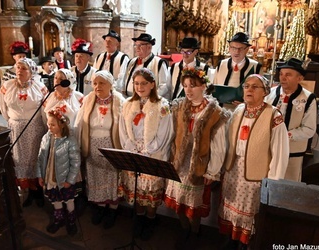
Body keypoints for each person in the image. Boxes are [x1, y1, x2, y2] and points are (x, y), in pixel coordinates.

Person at [218, 74, 289, 249]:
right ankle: (232, 239)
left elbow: (280, 152)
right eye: (246, 86)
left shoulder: (274, 116)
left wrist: (272, 183)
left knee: (249, 212)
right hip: (233, 169)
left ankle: (245, 243)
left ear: (265, 92)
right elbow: (228, 140)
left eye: (254, 87)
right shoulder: (239, 110)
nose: (249, 89)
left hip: (256, 175)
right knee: (231, 207)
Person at [164, 67, 229, 248]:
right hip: (179, 162)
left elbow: (218, 146)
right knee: (179, 200)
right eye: (185, 86)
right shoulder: (178, 106)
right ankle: (184, 229)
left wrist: (212, 171)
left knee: (193, 206)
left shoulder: (214, 112)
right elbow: (171, 134)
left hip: (199, 164)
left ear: (203, 86)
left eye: (193, 85)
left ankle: (194, 231)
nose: (188, 90)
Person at [118, 68, 174, 240]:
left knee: (149, 193)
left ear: (152, 84)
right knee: (136, 191)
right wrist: (130, 146)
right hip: (133, 151)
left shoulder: (162, 105)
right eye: (136, 83)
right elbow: (122, 129)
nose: (139, 87)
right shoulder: (128, 104)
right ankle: (139, 218)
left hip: (152, 153)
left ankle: (151, 219)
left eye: (143, 83)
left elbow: (166, 132)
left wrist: (149, 150)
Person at [73, 70, 125, 229]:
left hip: (111, 145)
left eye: (101, 83)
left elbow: (124, 125)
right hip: (92, 145)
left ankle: (113, 210)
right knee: (95, 177)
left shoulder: (119, 100)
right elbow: (79, 122)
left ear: (111, 84)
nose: (97, 86)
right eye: (95, 83)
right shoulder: (89, 99)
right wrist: (77, 144)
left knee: (112, 178)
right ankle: (101, 207)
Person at [0, 58, 48, 208]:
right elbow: (2, 107)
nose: (19, 71)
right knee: (19, 158)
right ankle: (26, 192)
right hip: (16, 127)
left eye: (24, 68)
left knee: (35, 158)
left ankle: (38, 193)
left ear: (31, 71)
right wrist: (13, 121)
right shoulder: (7, 86)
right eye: (18, 67)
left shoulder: (40, 87)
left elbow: (44, 110)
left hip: (35, 128)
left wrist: (45, 128)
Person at [265, 58, 316, 181]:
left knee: (288, 186)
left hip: (292, 153)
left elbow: (309, 129)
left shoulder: (308, 98)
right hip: (268, 149)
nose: (282, 78)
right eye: (281, 74)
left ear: (299, 78)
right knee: (266, 183)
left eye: (288, 75)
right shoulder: (270, 93)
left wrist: (285, 135)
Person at [36, 107, 81, 236]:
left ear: (61, 125)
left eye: (53, 125)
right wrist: (40, 175)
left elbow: (75, 163)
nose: (49, 127)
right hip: (50, 177)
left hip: (63, 179)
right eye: (48, 124)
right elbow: (40, 158)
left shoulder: (70, 141)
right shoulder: (46, 138)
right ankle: (58, 219)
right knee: (56, 200)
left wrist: (70, 180)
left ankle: (71, 222)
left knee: (69, 201)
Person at [213, 32, 263, 109]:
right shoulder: (221, 64)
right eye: (233, 48)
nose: (237, 52)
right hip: (221, 111)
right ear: (229, 49)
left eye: (240, 48)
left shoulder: (256, 67)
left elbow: (261, 94)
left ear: (247, 49)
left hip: (245, 112)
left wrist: (246, 104)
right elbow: (214, 87)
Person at [119, 33, 170, 99]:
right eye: (136, 45)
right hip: (129, 98)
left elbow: (164, 86)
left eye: (140, 45)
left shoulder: (159, 62)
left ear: (149, 47)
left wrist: (151, 99)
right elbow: (124, 79)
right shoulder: (132, 61)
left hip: (149, 100)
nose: (137, 48)